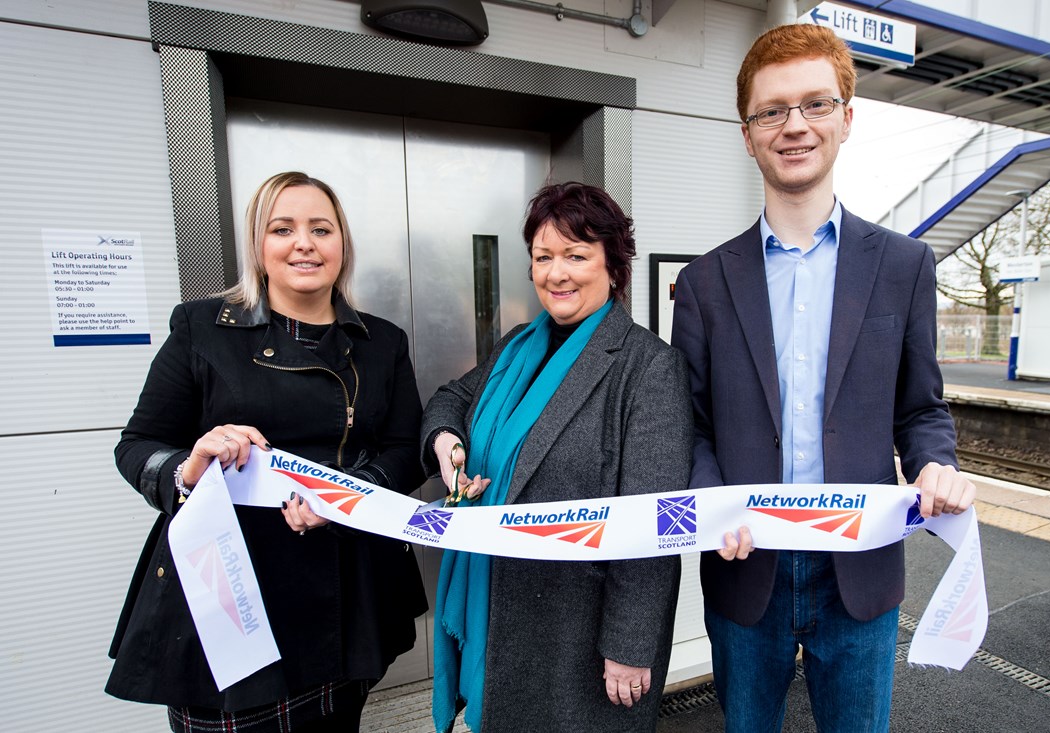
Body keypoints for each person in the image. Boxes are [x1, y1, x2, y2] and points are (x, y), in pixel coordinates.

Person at [670, 24, 977, 733]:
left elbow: (919, 410)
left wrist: (936, 464)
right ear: (746, 134)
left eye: (814, 103)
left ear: (846, 117)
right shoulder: (704, 282)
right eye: (770, 110)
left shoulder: (904, 266)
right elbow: (692, 425)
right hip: (747, 571)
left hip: (860, 568)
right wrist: (712, 501)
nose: (793, 125)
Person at [107, 171, 429, 732]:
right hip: (228, 586)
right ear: (259, 245)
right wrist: (188, 468)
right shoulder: (201, 329)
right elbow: (137, 446)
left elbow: (404, 449)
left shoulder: (382, 343)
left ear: (342, 245)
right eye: (283, 228)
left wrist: (345, 495)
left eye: (321, 228)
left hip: (344, 581)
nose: (304, 242)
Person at [421, 182, 692, 732]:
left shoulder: (648, 368)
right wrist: (448, 446)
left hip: (580, 633)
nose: (556, 272)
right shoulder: (518, 345)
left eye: (576, 254)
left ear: (613, 265)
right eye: (543, 257)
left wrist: (630, 641)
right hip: (501, 607)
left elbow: (655, 521)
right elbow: (452, 397)